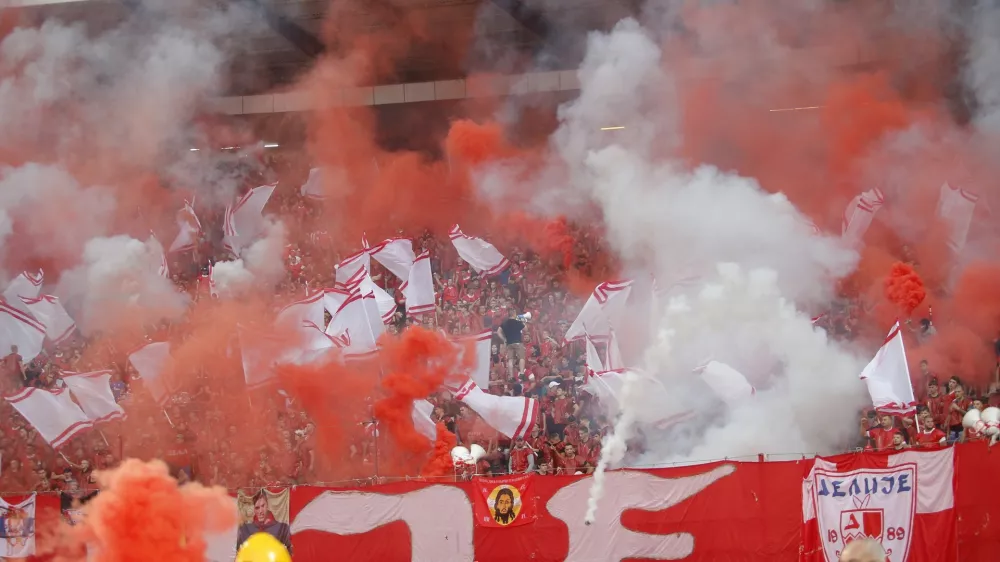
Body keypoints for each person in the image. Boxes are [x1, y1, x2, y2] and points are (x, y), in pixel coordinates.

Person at [497, 310, 526, 379]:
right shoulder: (518, 322)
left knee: (510, 359)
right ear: (514, 314)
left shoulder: (504, 323)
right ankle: (522, 373)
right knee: (521, 357)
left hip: (509, 343)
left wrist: (504, 339)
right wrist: (523, 322)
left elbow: (498, 332)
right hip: (518, 342)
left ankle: (511, 376)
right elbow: (526, 329)